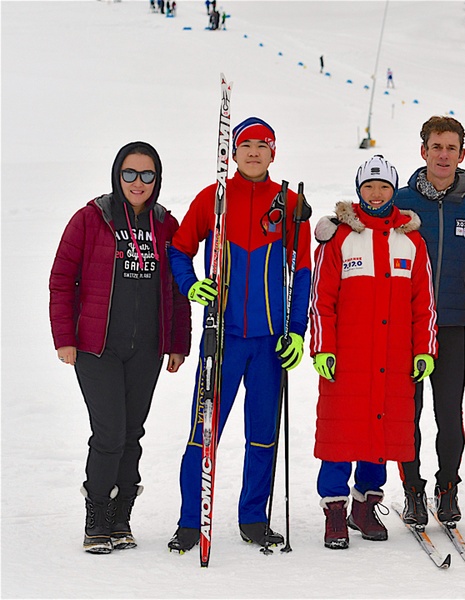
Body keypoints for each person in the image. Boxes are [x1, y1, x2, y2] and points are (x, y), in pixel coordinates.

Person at [166, 117, 312, 552]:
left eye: (262, 145)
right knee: (203, 432)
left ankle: (253, 517)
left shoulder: (289, 202)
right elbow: (178, 248)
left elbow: (302, 270)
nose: (253, 152)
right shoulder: (214, 198)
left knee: (263, 435)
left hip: (269, 342)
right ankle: (191, 521)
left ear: (273, 152)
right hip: (222, 338)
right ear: (232, 152)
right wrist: (191, 285)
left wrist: (297, 331)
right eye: (245, 144)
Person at [50, 141, 191, 554]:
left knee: (132, 434)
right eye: (130, 173)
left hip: (146, 348)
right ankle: (97, 517)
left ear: (157, 180)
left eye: (147, 175)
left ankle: (121, 519)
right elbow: (62, 281)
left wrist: (177, 343)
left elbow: (178, 289)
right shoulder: (91, 219)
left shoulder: (166, 225)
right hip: (96, 348)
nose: (138, 182)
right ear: (117, 175)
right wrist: (65, 339)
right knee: (109, 432)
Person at [310, 155, 438, 549]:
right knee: (340, 431)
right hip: (347, 359)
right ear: (358, 190)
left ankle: (365, 506)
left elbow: (424, 303)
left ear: (394, 190)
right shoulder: (340, 239)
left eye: (384, 186)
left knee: (380, 433)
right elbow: (321, 299)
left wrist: (425, 350)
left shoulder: (411, 240)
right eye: (369, 186)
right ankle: (335, 510)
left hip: (394, 358)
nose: (376, 193)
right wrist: (322, 347)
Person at [393, 116, 465, 528]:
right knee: (407, 413)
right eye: (436, 147)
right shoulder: (400, 201)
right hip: (405, 325)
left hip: (451, 323)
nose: (443, 155)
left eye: (451, 148)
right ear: (423, 151)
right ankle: (413, 491)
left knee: (449, 413)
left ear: (462, 154)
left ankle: (447, 487)